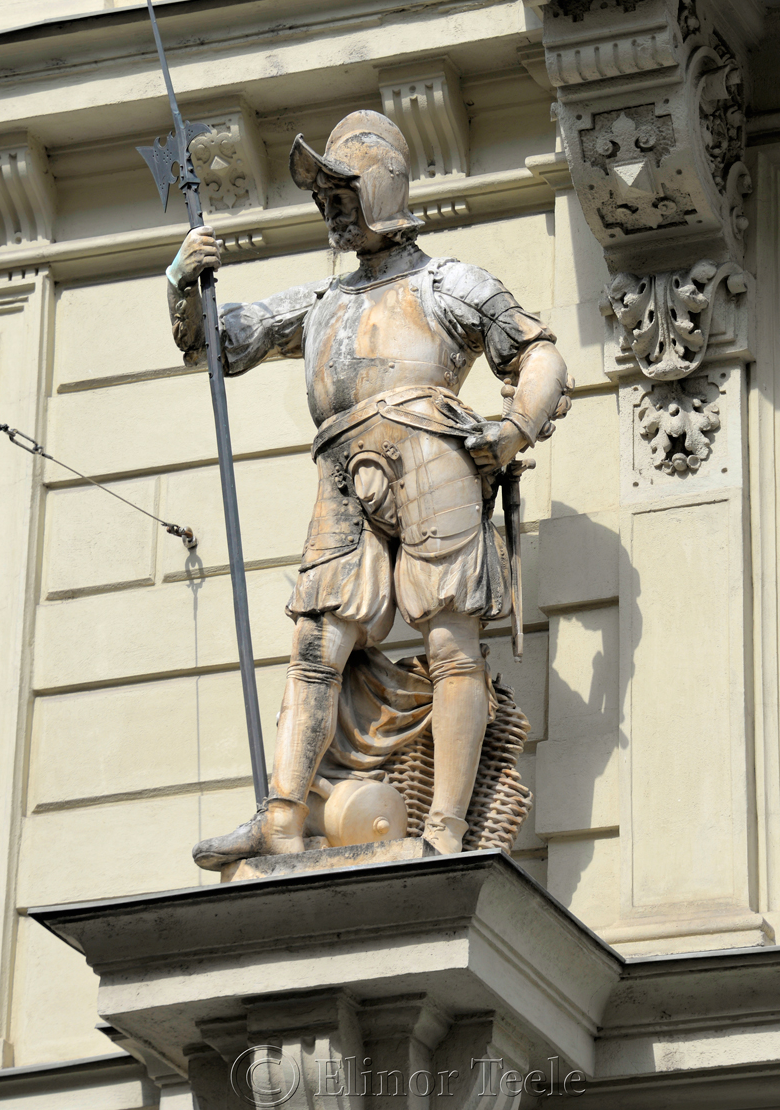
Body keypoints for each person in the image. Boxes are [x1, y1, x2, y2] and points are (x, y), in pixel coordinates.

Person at [167, 111, 570, 865]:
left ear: (381, 190)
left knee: (450, 638)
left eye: (342, 195)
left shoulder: (450, 283)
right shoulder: (323, 301)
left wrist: (513, 430)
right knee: (317, 640)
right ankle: (282, 814)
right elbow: (221, 340)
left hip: (431, 455)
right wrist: (185, 282)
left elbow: (536, 351)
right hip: (342, 469)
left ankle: (445, 828)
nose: (332, 212)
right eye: (325, 201)